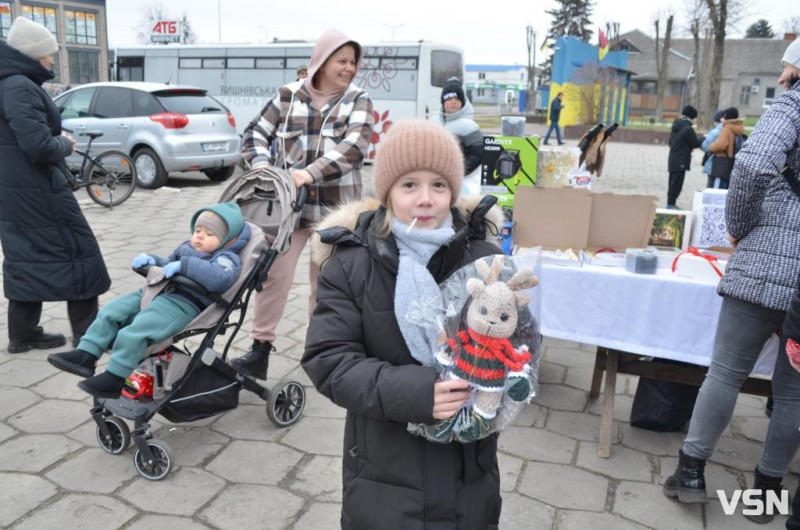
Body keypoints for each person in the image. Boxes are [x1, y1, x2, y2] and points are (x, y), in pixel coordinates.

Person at [302, 119, 505, 529]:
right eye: (409, 185)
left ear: (454, 190)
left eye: (439, 185)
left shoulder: (483, 260)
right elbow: (329, 360)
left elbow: (510, 337)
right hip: (384, 473)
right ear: (387, 192)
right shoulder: (350, 264)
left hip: (468, 473)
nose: (425, 199)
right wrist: (417, 392)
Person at [663, 38, 800, 526]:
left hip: (766, 262)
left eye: (786, 67)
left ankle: (693, 473)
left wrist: (738, 226)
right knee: (793, 394)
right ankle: (766, 495)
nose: (782, 75)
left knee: (725, 372)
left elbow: (754, 161)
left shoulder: (794, 103)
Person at [232, 28, 374, 380]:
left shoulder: (358, 99)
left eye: (353, 62)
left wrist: (309, 173)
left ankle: (320, 353)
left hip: (336, 211)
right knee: (272, 274)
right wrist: (263, 167)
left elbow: (356, 146)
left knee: (325, 285)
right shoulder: (288, 95)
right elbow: (254, 133)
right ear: (322, 61)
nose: (349, 68)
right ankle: (260, 349)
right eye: (342, 60)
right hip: (286, 208)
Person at [46, 203, 248, 398]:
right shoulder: (187, 248)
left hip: (182, 304)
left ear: (227, 240)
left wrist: (185, 266)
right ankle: (86, 354)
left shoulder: (227, 258)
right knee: (112, 311)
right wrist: (153, 260)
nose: (200, 237)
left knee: (135, 331)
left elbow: (220, 278)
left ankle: (115, 377)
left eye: (209, 234)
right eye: (197, 230)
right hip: (158, 290)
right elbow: (168, 264)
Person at [0, 17, 110, 354]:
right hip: (38, 191)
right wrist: (65, 143)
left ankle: (23, 335)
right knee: (81, 254)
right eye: (49, 54)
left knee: (25, 256)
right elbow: (39, 147)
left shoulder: (8, 82)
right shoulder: (19, 85)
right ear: (34, 54)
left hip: (15, 190)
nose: (52, 60)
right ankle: (88, 338)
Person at [440, 78, 483, 194]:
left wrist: (458, 172)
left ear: (462, 102)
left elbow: (478, 155)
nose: (453, 102)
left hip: (461, 183)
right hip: (437, 180)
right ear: (443, 102)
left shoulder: (469, 126)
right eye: (449, 98)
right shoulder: (434, 122)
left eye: (457, 99)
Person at [666, 105, 703, 209]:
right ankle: (670, 205)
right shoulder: (687, 128)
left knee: (672, 182)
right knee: (677, 184)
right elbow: (695, 143)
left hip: (673, 158)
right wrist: (703, 138)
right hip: (681, 160)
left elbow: (670, 142)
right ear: (691, 116)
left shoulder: (676, 125)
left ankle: (670, 203)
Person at [707, 107, 745, 190]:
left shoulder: (726, 129)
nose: (721, 119)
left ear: (726, 117)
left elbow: (721, 145)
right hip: (731, 164)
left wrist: (711, 146)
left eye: (723, 117)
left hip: (721, 165)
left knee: (717, 192)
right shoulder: (737, 129)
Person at [700, 109, 725, 187]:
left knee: (711, 186)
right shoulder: (727, 130)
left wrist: (703, 139)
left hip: (713, 163)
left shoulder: (715, 132)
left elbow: (705, 147)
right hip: (724, 166)